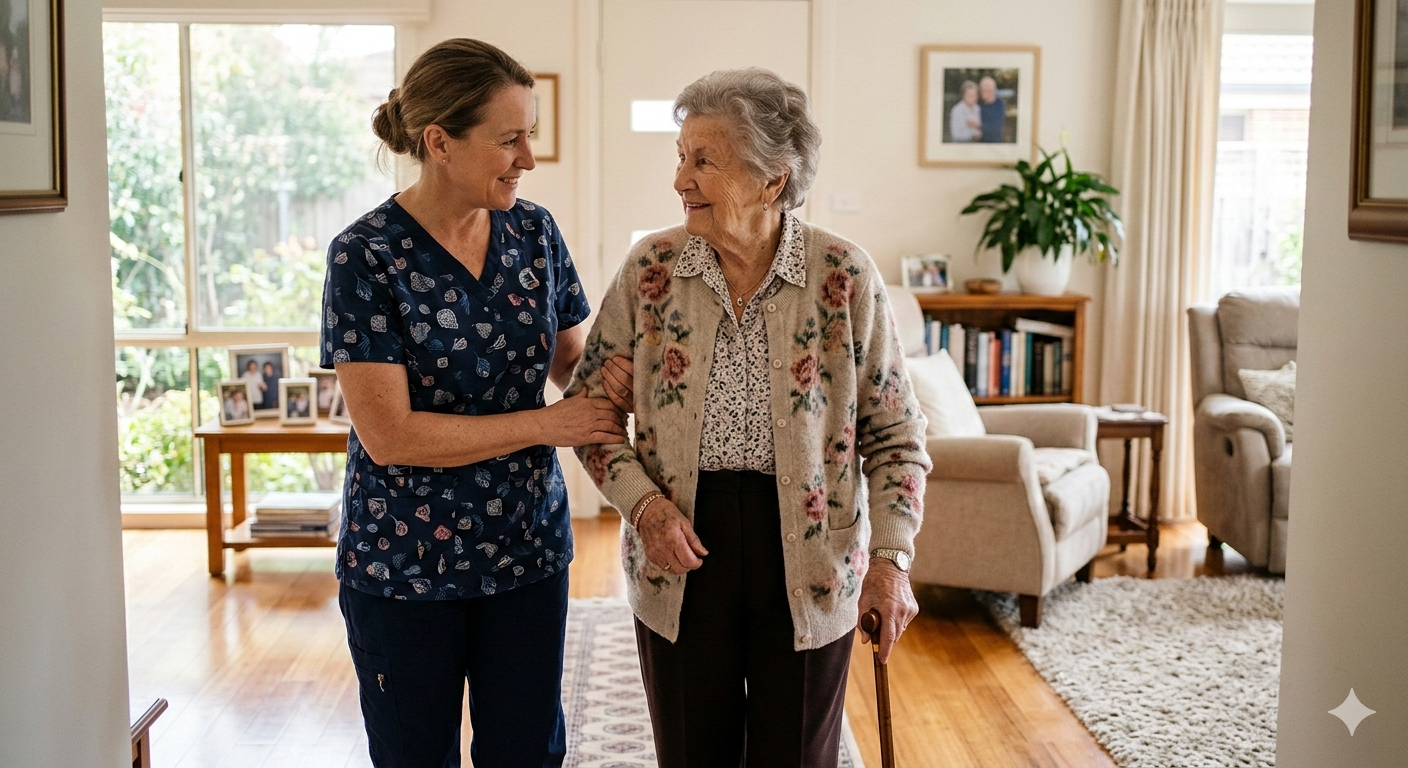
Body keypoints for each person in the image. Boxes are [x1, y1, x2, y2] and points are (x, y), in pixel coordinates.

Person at [569, 68, 931, 768]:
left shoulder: (844, 276)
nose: (681, 179)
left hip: (812, 549)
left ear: (774, 179)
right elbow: (590, 419)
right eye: (681, 157)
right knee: (692, 752)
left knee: (794, 754)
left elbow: (896, 436)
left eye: (704, 160)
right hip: (679, 543)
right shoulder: (652, 270)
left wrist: (891, 563)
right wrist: (644, 508)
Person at [321, 38, 632, 767]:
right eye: (510, 139)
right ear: (440, 142)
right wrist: (545, 426)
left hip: (526, 551)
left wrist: (661, 372)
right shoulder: (365, 255)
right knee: (414, 754)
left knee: (526, 752)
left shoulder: (535, 233)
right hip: (403, 564)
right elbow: (389, 435)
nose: (528, 157)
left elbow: (573, 365)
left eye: (530, 137)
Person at [979, 75, 1007, 143]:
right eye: (983, 90)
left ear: (993, 90)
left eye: (988, 91)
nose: (985, 93)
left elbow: (996, 128)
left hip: (994, 142)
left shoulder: (999, 105)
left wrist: (978, 125)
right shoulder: (979, 103)